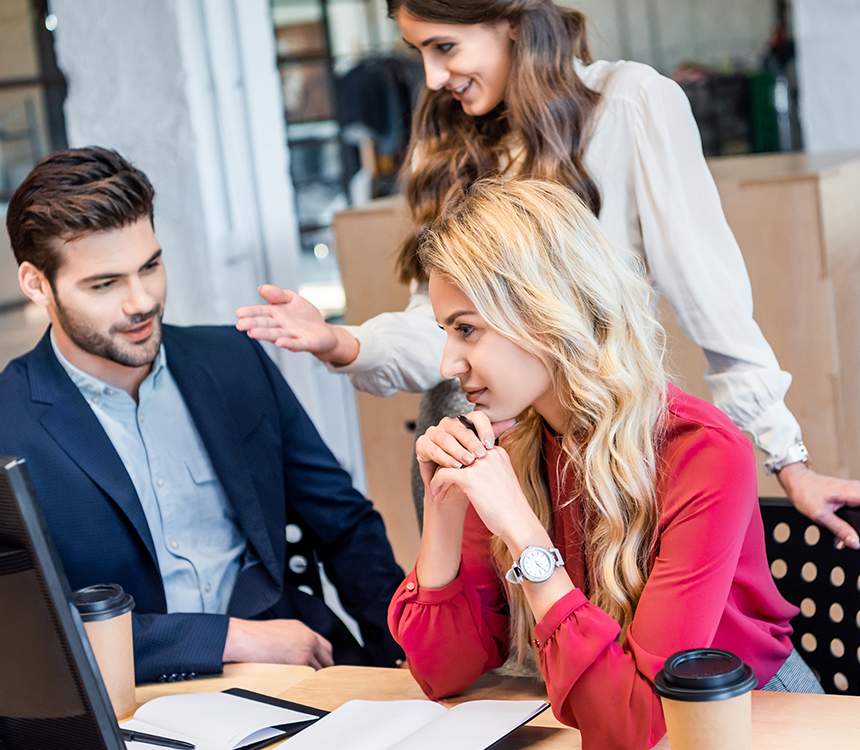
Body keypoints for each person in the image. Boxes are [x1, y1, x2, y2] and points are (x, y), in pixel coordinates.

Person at [235, 0, 860, 548]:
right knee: (495, 668)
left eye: (444, 47)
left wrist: (789, 458)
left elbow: (712, 295)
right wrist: (340, 342)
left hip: (600, 448)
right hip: (474, 445)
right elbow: (441, 331)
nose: (431, 76)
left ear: (511, 21)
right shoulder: (450, 139)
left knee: (624, 656)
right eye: (418, 51)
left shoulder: (631, 105)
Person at [387, 177, 821, 749]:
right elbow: (445, 674)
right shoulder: (509, 442)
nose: (449, 362)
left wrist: (523, 533)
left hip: (755, 723)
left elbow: (636, 722)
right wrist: (443, 507)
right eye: (445, 332)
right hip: (601, 713)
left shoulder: (701, 451)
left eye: (468, 329)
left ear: (546, 314)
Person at [0, 147, 404, 684]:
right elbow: (27, 632)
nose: (141, 301)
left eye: (151, 266)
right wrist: (229, 638)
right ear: (36, 284)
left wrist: (403, 664)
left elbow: (343, 523)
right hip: (137, 698)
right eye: (105, 284)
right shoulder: (10, 420)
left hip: (295, 665)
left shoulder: (232, 361)